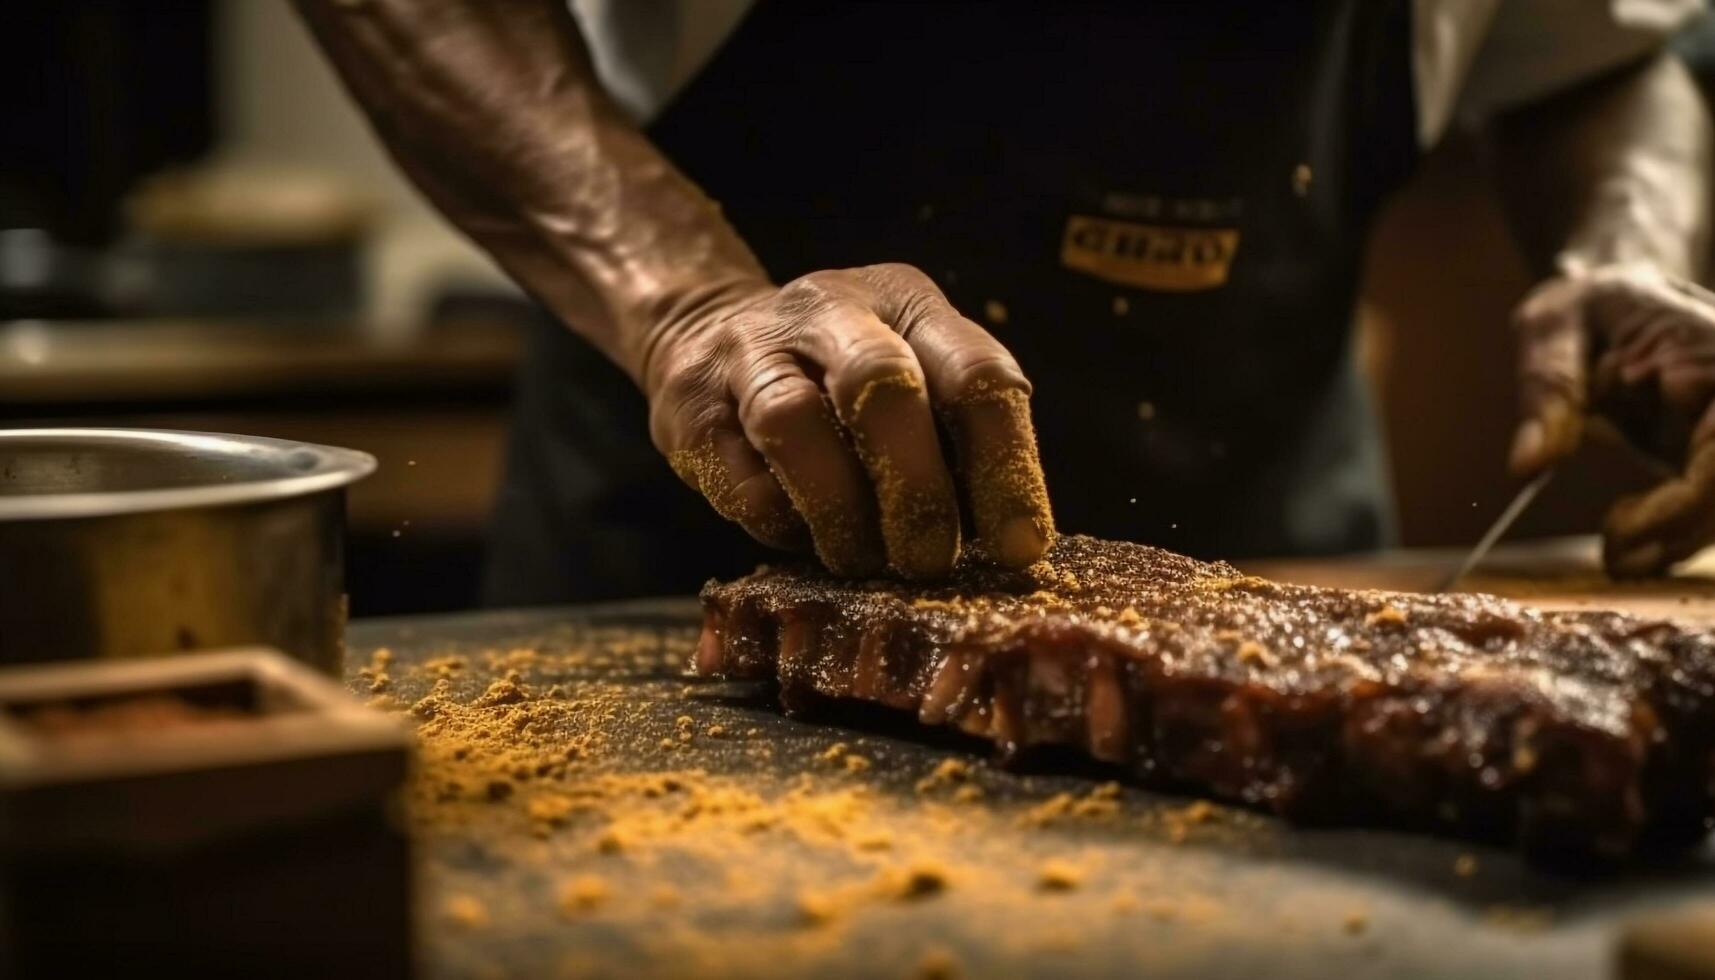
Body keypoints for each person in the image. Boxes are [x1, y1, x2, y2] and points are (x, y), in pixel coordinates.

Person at [293, 0, 1715, 602]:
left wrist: (1622, 250)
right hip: (702, 573)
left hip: (1276, 562)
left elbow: (1593, 50)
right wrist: (681, 301)